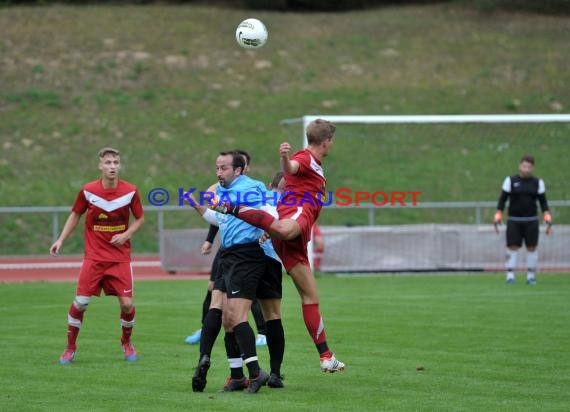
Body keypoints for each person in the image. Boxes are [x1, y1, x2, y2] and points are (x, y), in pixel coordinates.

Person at [212, 119, 345, 373]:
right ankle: (231, 207)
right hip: (296, 214)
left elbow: (292, 173)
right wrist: (284, 158)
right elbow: (291, 168)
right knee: (283, 229)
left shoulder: (315, 162)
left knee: (310, 296)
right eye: (332, 141)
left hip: (296, 238)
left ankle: (326, 356)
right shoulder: (305, 157)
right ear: (327, 141)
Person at [184, 151, 272, 393]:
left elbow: (271, 213)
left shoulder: (254, 187)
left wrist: (268, 230)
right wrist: (196, 205)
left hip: (247, 256)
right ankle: (235, 376)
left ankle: (256, 373)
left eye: (223, 168)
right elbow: (220, 219)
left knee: (235, 316)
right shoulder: (222, 192)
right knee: (224, 317)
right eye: (217, 168)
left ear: (239, 170)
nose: (219, 173)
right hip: (228, 255)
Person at [50, 147, 144, 364]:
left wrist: (126, 234)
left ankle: (126, 343)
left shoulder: (130, 191)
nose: (112, 167)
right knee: (81, 302)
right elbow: (75, 215)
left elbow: (139, 218)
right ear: (100, 165)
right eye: (108, 163)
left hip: (120, 258)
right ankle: (70, 348)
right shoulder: (88, 190)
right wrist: (60, 240)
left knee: (128, 305)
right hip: (94, 257)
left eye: (115, 163)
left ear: (119, 165)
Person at [493, 154, 552, 285]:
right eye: (524, 166)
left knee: (532, 247)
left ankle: (531, 276)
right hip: (514, 220)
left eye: (529, 167)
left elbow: (543, 202)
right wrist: (498, 213)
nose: (526, 169)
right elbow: (502, 199)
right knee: (512, 247)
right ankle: (510, 276)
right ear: (520, 166)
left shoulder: (538, 183)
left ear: (533, 168)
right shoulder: (510, 180)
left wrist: (547, 215)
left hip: (531, 220)